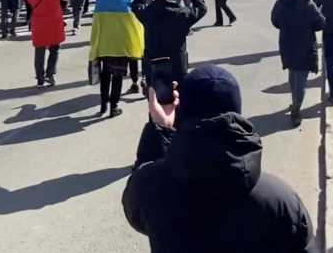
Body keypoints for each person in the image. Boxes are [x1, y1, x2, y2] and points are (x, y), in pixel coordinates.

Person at [121, 64, 318, 252]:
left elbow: (134, 210)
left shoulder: (152, 186)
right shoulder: (281, 200)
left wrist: (160, 129)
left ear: (183, 112)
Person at [135, 0, 206, 97]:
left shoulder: (148, 13)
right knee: (179, 99)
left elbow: (135, 5)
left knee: (155, 102)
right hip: (176, 65)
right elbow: (201, 8)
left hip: (153, 64)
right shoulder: (182, 14)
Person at [271, 0, 326, 127]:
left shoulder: (280, 3)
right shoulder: (308, 4)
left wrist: (286, 26)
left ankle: (294, 101)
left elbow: (274, 21)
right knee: (301, 79)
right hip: (305, 45)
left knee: (292, 73)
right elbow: (321, 23)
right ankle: (296, 109)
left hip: (287, 44)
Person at [89, 0, 145, 118]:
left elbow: (96, 24)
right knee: (118, 77)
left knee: (105, 75)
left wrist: (94, 44)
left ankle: (103, 105)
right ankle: (114, 106)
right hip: (122, 45)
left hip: (104, 45)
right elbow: (137, 22)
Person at [27, 0, 69, 87]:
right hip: (54, 26)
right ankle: (50, 75)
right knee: (54, 51)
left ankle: (40, 79)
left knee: (39, 53)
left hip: (39, 26)